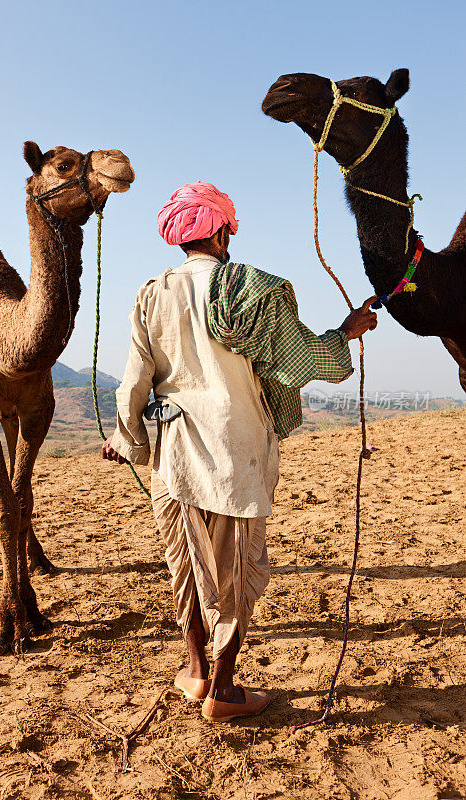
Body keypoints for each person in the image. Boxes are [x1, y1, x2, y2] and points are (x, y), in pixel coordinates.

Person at [102, 181, 377, 722]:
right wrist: (345, 332)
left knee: (187, 565)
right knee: (235, 570)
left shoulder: (151, 294)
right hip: (237, 451)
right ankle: (224, 691)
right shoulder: (254, 291)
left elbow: (134, 382)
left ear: (181, 238)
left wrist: (127, 440)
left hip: (174, 454)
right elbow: (310, 362)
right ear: (224, 231)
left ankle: (196, 670)